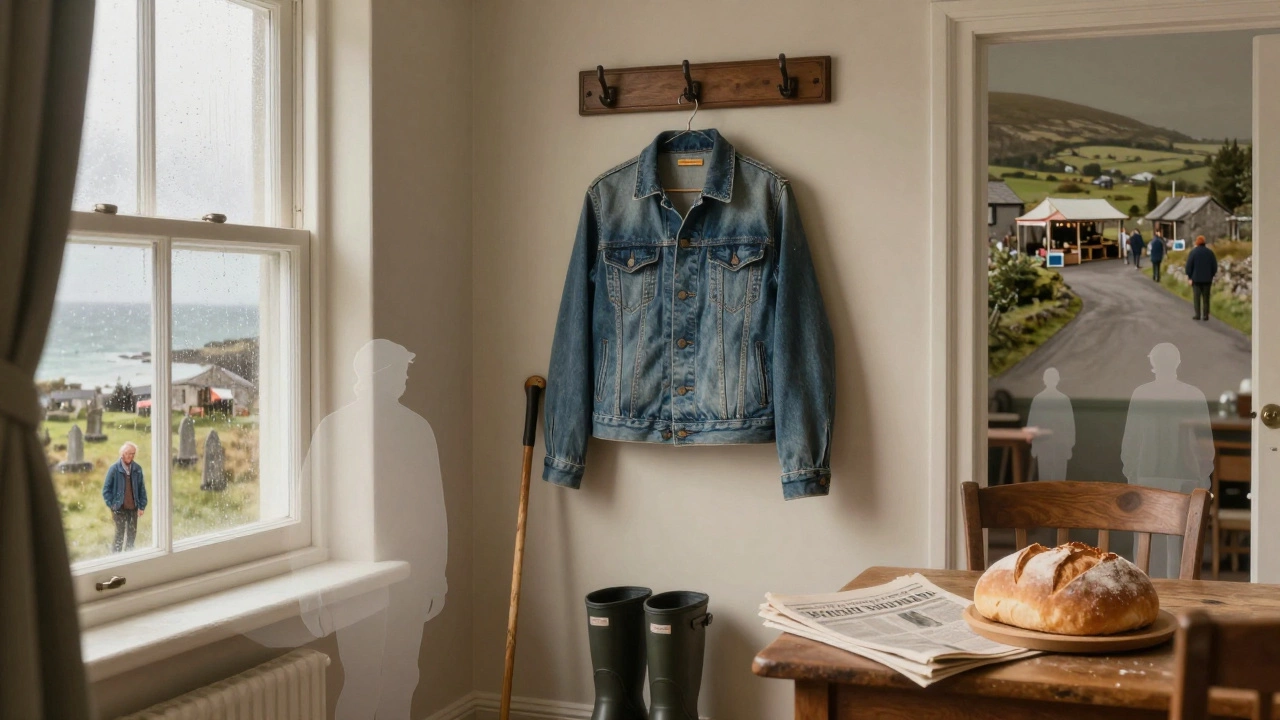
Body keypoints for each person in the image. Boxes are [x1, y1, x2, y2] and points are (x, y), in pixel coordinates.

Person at [1120, 343, 1214, 578]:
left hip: (1148, 474)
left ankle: (1147, 590)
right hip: (1185, 475)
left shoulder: (1141, 393)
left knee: (1146, 544)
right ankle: (1181, 594)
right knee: (1182, 544)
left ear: (1152, 363)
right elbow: (1205, 445)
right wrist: (1203, 477)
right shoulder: (1193, 394)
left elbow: (1130, 441)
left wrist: (1132, 473)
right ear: (1178, 362)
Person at [102, 441, 146, 552]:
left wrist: (141, 506)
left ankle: (129, 557)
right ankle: (116, 558)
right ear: (122, 453)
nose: (130, 456)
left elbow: (142, 489)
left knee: (132, 535)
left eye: (132, 453)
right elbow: (106, 490)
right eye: (127, 453)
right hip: (119, 508)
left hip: (133, 508)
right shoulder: (114, 469)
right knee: (119, 535)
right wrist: (112, 504)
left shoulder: (137, 469)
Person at [1185, 235, 1218, 321]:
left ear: (1197, 243)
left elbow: (1189, 266)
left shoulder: (1193, 252)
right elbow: (1214, 266)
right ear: (1204, 243)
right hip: (1207, 279)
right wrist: (1212, 275)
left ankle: (1197, 314)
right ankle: (1206, 315)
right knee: (1206, 298)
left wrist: (1189, 277)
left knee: (1197, 297)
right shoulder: (1210, 253)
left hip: (1196, 279)